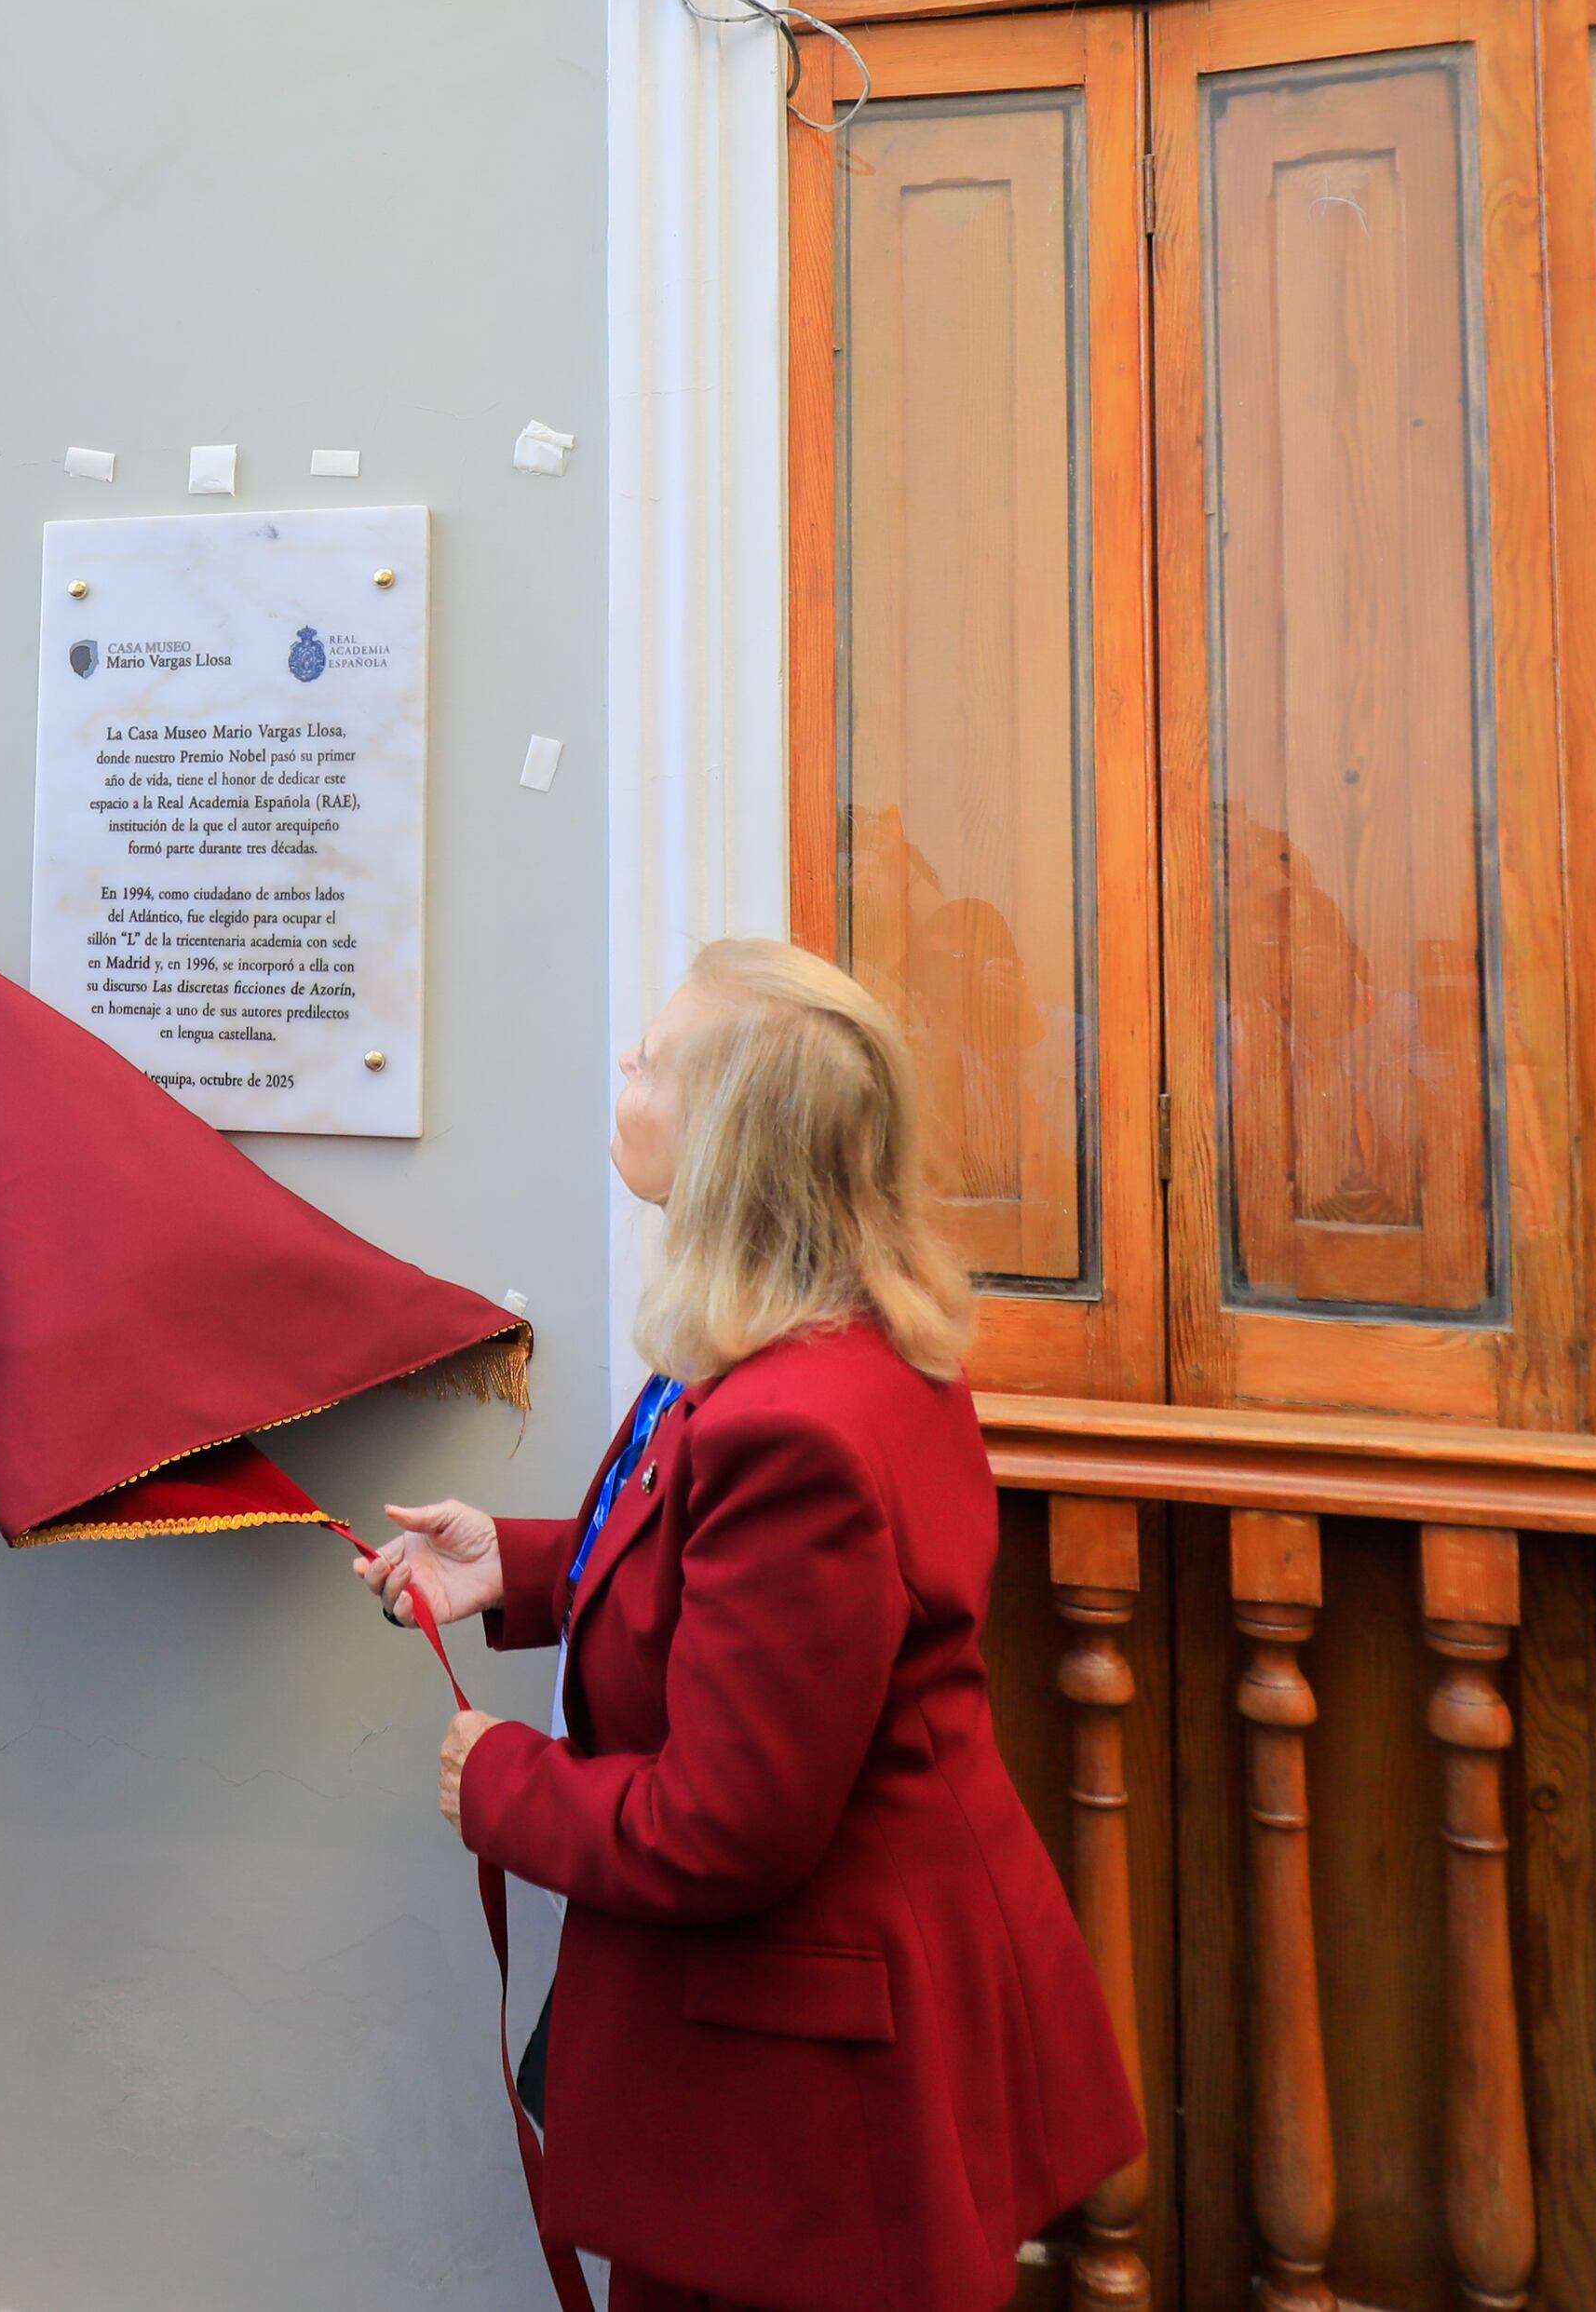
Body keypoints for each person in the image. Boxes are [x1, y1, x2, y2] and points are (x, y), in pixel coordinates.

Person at [364, 940, 1136, 2312]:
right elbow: (721, 1585)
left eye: (652, 1061)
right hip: (829, 2019)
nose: (623, 1068)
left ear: (726, 1141)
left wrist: (502, 1784)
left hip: (815, 2079)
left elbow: (728, 1828)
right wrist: (521, 1568)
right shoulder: (812, 1340)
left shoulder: (798, 1424)